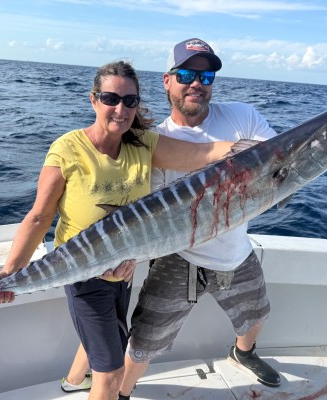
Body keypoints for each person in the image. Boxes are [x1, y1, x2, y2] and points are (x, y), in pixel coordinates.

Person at [0, 60, 235, 400]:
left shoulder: (143, 144)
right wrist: (10, 273)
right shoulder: (68, 149)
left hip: (122, 273)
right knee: (112, 374)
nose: (121, 109)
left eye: (130, 101)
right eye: (111, 98)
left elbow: (204, 153)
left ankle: (73, 381)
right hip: (82, 274)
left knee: (113, 336)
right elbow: (38, 217)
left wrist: (258, 151)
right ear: (93, 100)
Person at [118, 38, 281, 399]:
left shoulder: (243, 117)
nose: (197, 83)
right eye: (188, 73)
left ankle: (243, 352)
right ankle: (123, 392)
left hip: (236, 251)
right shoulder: (154, 140)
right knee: (145, 339)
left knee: (256, 315)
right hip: (179, 256)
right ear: (167, 80)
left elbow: (277, 165)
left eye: (206, 77)